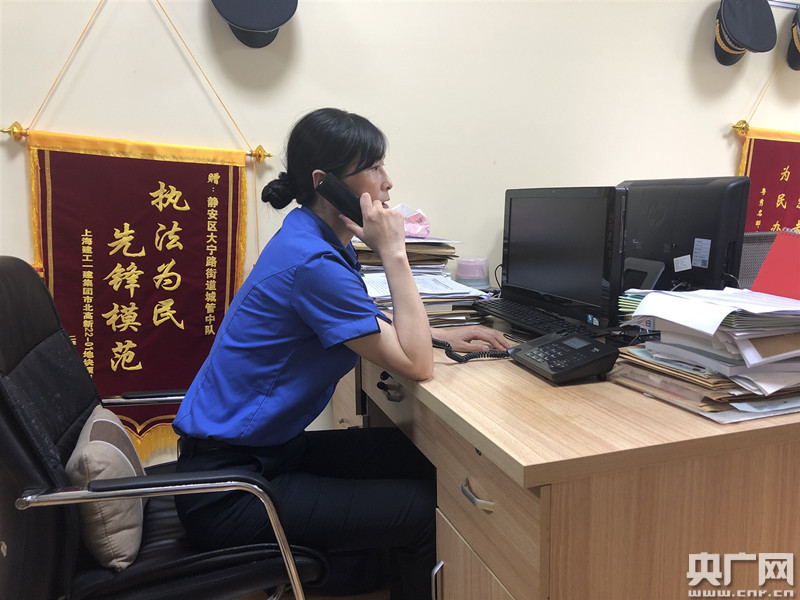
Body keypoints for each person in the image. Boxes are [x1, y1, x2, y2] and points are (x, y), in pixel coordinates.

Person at [172, 107, 510, 599]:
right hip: (231, 492)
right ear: (325, 183)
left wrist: (440, 336)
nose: (388, 183)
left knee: (410, 455)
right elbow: (416, 366)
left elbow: (367, 323)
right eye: (374, 167)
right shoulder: (312, 261)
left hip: (264, 455)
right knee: (423, 510)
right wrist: (394, 252)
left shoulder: (313, 236)